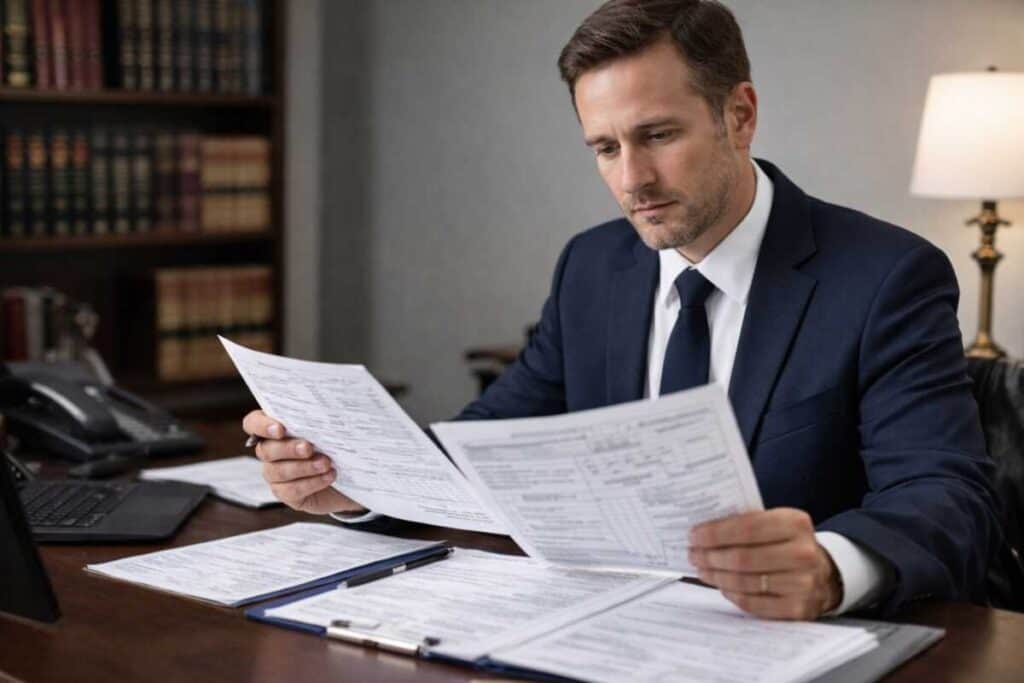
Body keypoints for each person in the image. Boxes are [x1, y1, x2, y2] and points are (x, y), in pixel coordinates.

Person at [243, 0, 998, 620]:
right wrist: (355, 483)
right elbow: (490, 443)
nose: (632, 179)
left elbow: (948, 496)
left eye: (658, 136)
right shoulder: (592, 267)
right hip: (601, 634)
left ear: (740, 115)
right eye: (604, 148)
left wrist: (833, 566)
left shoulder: (885, 276)